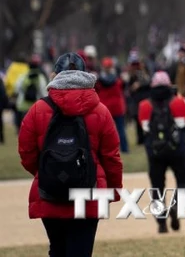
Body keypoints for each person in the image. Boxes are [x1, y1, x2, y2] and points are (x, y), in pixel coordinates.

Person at [17, 52, 123, 257]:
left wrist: (46, 172)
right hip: (89, 192)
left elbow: (26, 151)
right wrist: (113, 190)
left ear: (55, 75)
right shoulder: (100, 111)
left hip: (50, 191)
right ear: (86, 75)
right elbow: (112, 157)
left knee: (57, 250)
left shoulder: (38, 109)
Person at [138, 71, 185, 233]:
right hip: (178, 150)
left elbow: (143, 127)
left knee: (157, 187)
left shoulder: (144, 105)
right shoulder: (178, 102)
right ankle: (176, 205)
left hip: (154, 152)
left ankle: (161, 223)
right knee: (183, 181)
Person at [95, 57, 129, 154]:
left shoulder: (98, 81)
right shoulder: (118, 80)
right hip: (117, 107)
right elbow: (124, 87)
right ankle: (125, 149)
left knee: (102, 131)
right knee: (121, 129)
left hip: (104, 108)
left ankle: (102, 149)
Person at [15, 54, 49, 131]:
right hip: (35, 107)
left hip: (22, 107)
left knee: (23, 129)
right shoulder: (40, 78)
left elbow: (16, 89)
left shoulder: (23, 76)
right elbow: (44, 93)